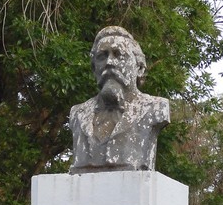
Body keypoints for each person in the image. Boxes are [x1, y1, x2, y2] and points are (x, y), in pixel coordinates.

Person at [69, 26, 170, 174]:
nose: (109, 62)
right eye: (102, 56)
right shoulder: (78, 113)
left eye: (119, 55)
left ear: (139, 68)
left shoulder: (155, 108)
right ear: (94, 69)